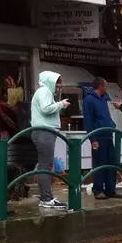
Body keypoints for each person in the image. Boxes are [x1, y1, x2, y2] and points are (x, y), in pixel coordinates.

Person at [29, 70, 71, 210]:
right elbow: (46, 109)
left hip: (42, 131)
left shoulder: (43, 91)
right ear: (50, 81)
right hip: (44, 131)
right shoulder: (44, 91)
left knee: (43, 165)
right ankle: (46, 198)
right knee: (46, 165)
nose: (59, 85)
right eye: (57, 82)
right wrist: (61, 104)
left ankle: (45, 196)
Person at [82, 77, 117, 199]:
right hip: (99, 135)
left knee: (111, 162)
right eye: (105, 85)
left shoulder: (103, 99)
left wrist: (111, 124)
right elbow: (88, 120)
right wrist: (93, 139)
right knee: (99, 163)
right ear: (100, 86)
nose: (106, 88)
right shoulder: (88, 100)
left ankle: (110, 189)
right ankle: (98, 189)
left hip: (108, 134)